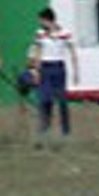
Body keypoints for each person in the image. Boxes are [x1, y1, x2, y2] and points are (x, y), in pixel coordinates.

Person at [28, 7, 78, 137]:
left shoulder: (65, 33)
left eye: (42, 20)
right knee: (45, 99)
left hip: (59, 66)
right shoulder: (40, 33)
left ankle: (66, 131)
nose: (40, 23)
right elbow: (37, 51)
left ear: (47, 20)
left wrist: (76, 71)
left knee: (62, 100)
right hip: (45, 66)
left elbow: (72, 51)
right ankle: (44, 128)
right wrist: (35, 71)